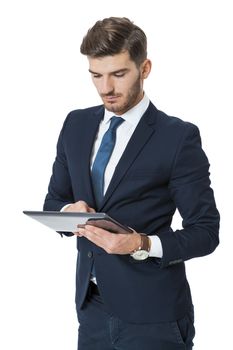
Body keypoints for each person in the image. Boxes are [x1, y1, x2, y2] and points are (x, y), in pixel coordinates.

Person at [43, 17, 220, 350]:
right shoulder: (76, 125)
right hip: (91, 310)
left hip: (154, 316)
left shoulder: (178, 138)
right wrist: (70, 210)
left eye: (119, 74)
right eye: (96, 76)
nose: (106, 88)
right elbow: (54, 201)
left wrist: (140, 243)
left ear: (145, 68)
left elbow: (206, 232)